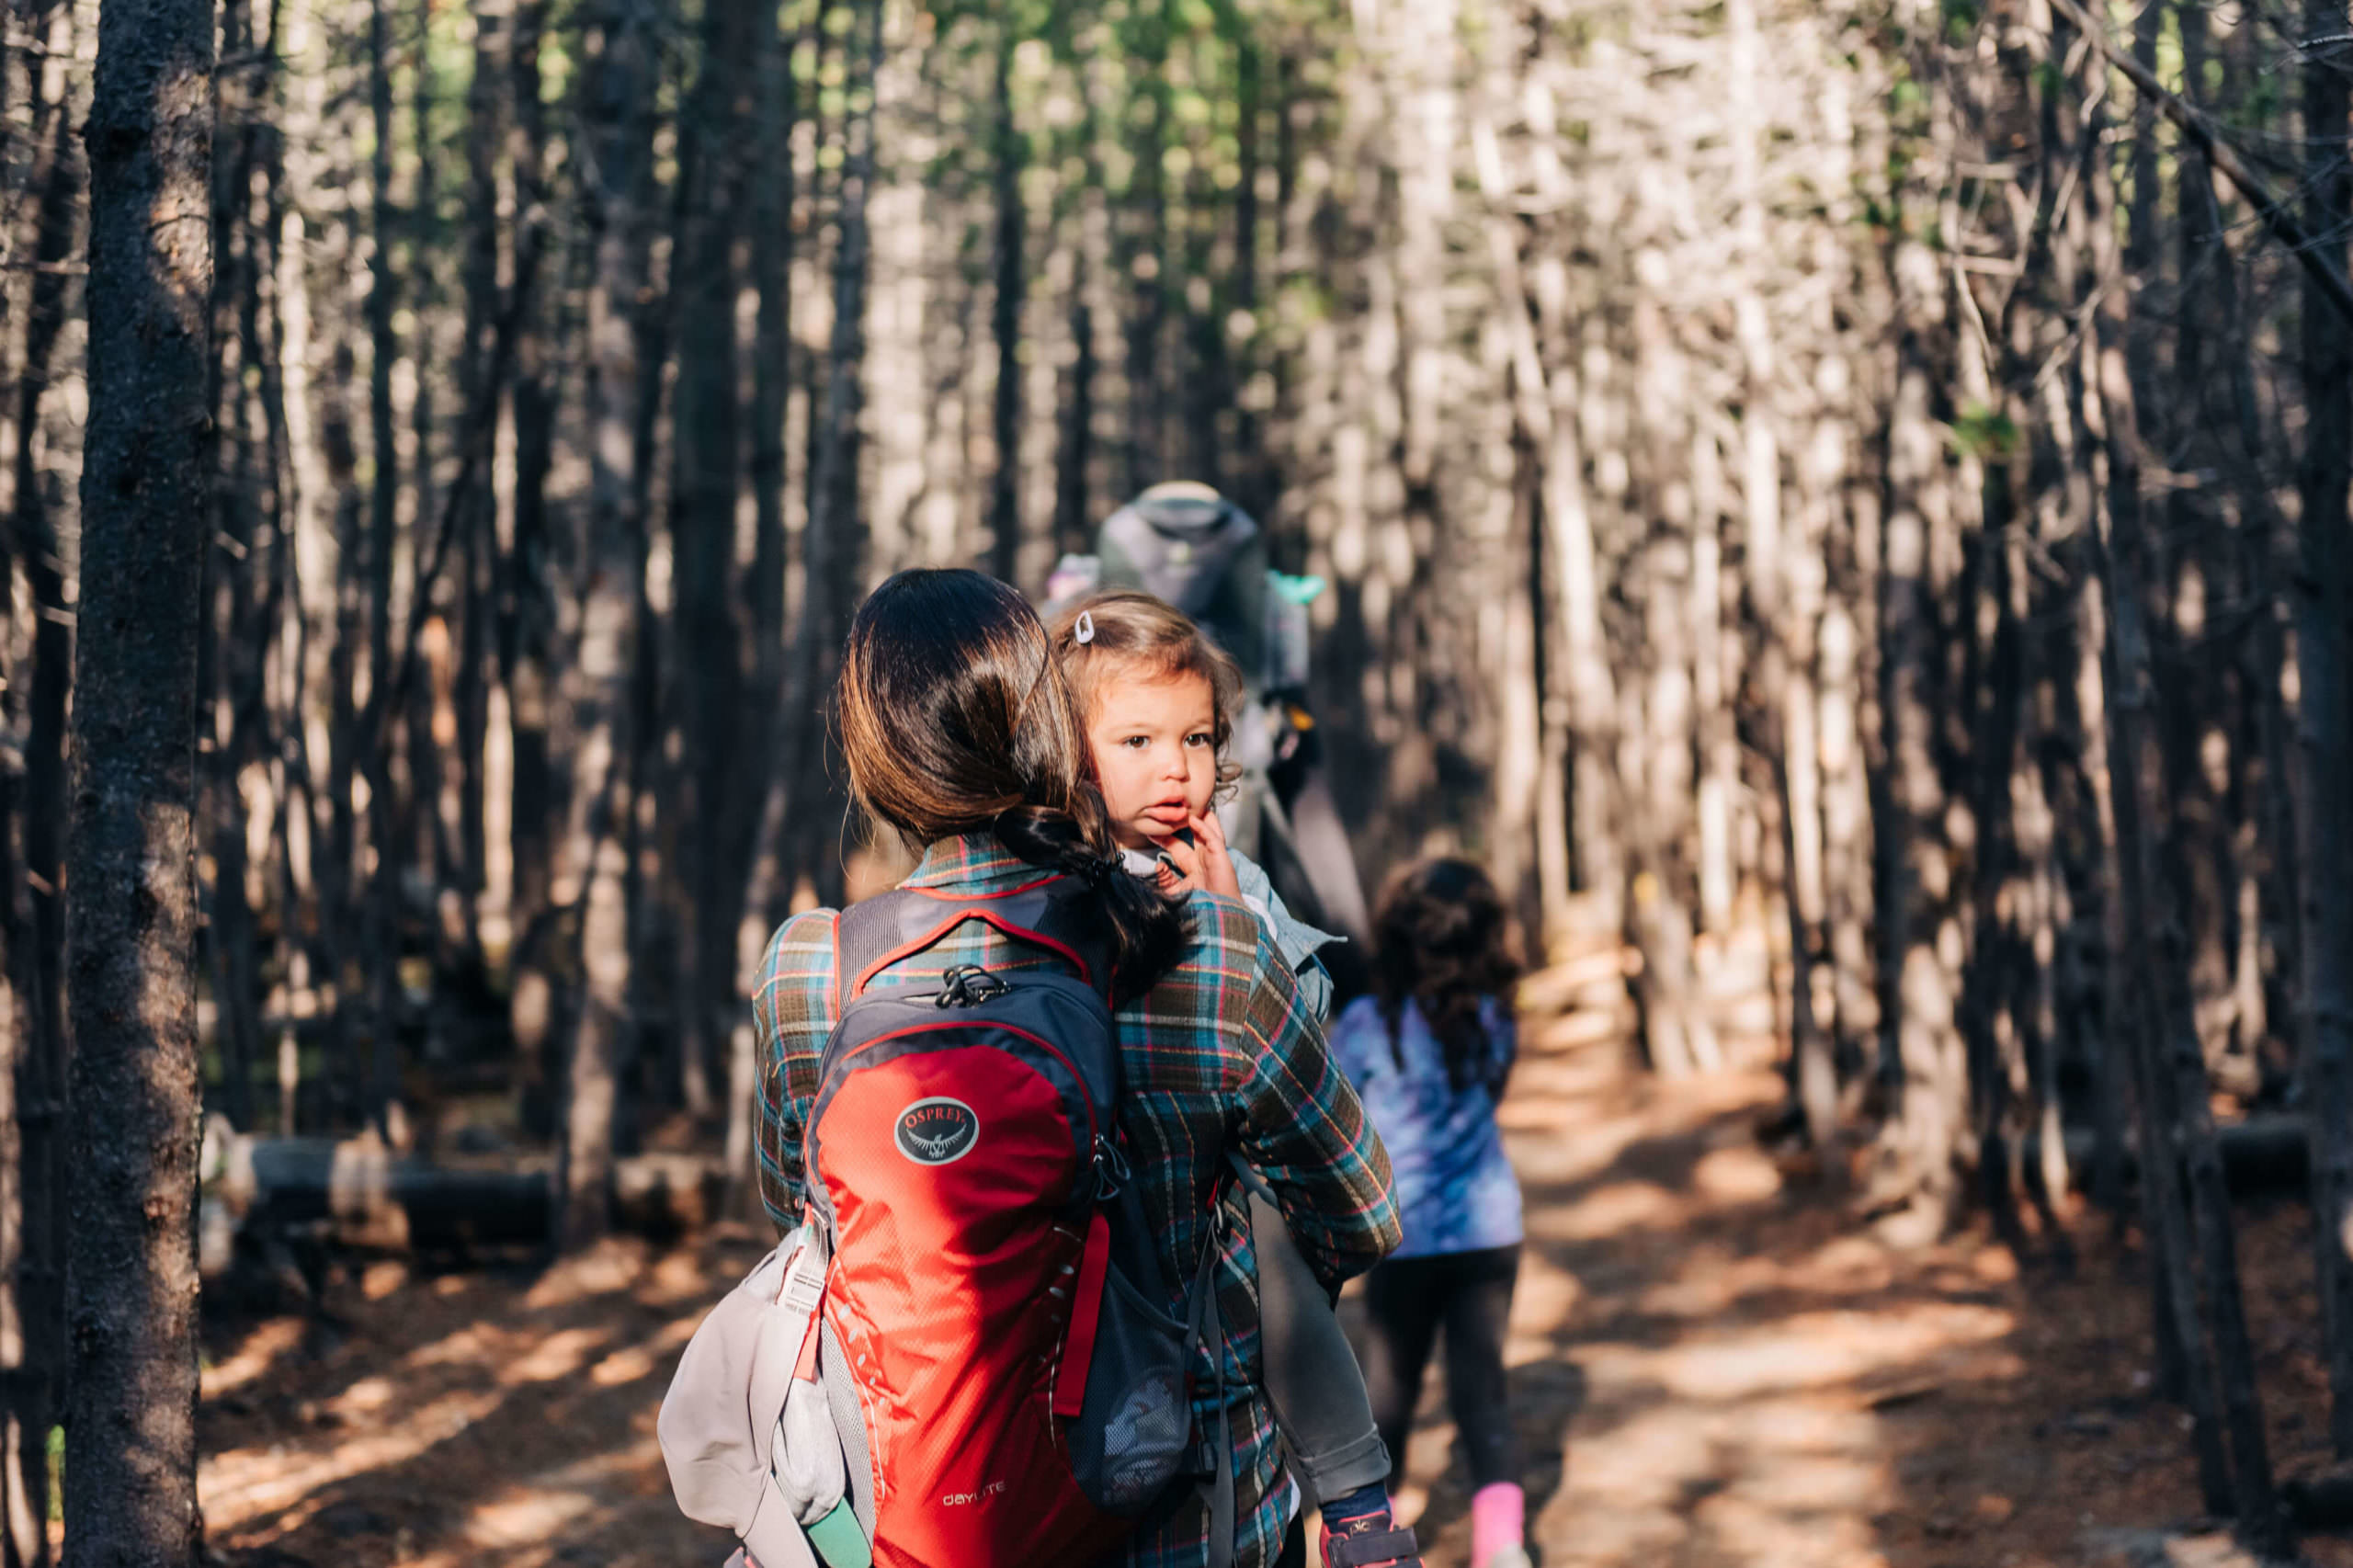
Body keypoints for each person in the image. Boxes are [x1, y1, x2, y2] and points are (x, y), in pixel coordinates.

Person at [750, 568, 1417, 1568]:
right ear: (1051, 727)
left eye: (1194, 738)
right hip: (1194, 1513)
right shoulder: (1210, 947)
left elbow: (803, 1216)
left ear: (869, 749)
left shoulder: (813, 969)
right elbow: (1358, 1214)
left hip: (931, 1510)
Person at [1046, 588, 1406, 1549]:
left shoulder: (1232, 878)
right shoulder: (1052, 885)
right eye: (1136, 742)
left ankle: (1354, 1489)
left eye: (1198, 739)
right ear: (1065, 752)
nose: (1177, 768)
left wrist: (1235, 933)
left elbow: (1306, 1063)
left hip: (1228, 1217)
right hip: (1110, 1214)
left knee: (1274, 1239)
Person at [1325, 860, 1532, 1568]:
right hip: (1490, 1234)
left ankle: (1373, 1545)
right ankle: (1503, 1550)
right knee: (1484, 1398)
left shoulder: (1362, 1026)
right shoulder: (1495, 1020)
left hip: (1405, 1240)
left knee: (1385, 1403)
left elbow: (1336, 1112)